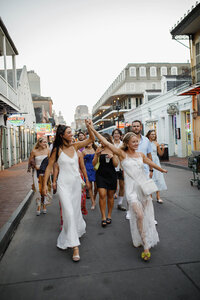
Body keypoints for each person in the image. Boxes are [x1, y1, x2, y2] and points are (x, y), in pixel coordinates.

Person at [87, 121, 167, 261]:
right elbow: (104, 140)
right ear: (128, 143)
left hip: (143, 188)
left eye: (137, 141)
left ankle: (145, 240)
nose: (136, 143)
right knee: (140, 215)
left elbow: (151, 162)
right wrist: (91, 129)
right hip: (131, 191)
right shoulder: (121, 154)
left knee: (147, 216)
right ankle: (145, 245)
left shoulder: (141, 155)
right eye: (134, 142)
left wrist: (162, 169)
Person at [43, 121, 95, 262]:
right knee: (69, 212)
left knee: (75, 212)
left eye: (72, 132)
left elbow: (91, 139)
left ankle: (70, 233)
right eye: (69, 132)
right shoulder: (57, 150)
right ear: (62, 135)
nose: (72, 134)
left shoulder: (76, 146)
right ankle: (75, 247)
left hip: (76, 184)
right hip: (63, 185)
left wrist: (89, 127)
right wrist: (44, 185)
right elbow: (49, 167)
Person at [125, 120, 154, 220]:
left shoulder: (146, 140)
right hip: (131, 173)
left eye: (137, 126)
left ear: (141, 127)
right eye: (134, 126)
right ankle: (130, 210)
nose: (136, 128)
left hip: (144, 171)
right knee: (132, 193)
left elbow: (149, 156)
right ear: (132, 128)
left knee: (147, 194)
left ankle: (149, 216)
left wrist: (151, 170)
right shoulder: (127, 140)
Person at [92, 133, 118, 227]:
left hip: (111, 175)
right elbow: (93, 164)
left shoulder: (112, 149)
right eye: (100, 140)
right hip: (100, 175)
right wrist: (97, 155)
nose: (101, 142)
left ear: (108, 140)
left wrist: (113, 156)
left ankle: (109, 215)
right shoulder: (98, 149)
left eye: (103, 140)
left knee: (110, 196)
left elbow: (115, 165)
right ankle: (103, 216)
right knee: (102, 194)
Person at [28, 136, 51, 216]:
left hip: (45, 172)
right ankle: (38, 205)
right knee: (38, 189)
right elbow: (30, 162)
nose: (46, 143)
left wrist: (50, 170)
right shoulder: (34, 151)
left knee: (45, 189)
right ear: (40, 143)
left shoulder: (48, 151)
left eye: (46, 142)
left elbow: (50, 162)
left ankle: (44, 205)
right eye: (44, 142)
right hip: (36, 172)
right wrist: (34, 166)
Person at [146, 130, 167, 203]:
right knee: (150, 178)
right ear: (148, 135)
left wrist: (162, 148)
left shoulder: (156, 143)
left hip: (156, 161)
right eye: (152, 134)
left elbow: (160, 154)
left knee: (158, 178)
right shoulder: (146, 143)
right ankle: (150, 196)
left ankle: (158, 197)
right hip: (148, 161)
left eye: (154, 134)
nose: (153, 136)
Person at [112, 128, 126, 211]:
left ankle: (120, 203)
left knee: (122, 186)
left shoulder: (123, 145)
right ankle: (112, 198)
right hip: (112, 167)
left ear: (120, 135)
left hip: (121, 167)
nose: (116, 135)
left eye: (118, 133)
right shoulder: (110, 144)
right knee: (113, 186)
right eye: (115, 133)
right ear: (113, 135)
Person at [82, 142, 97, 210]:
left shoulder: (96, 149)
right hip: (87, 168)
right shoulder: (83, 151)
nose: (89, 143)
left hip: (96, 168)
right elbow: (81, 162)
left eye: (90, 142)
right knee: (89, 187)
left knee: (97, 187)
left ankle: (94, 197)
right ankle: (93, 202)